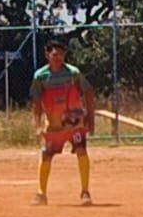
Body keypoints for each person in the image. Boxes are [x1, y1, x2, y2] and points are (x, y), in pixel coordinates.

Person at [30, 39, 96, 206]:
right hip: (53, 124)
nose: (58, 57)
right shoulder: (40, 76)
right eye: (55, 54)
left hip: (75, 123)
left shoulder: (73, 73)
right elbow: (36, 101)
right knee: (46, 156)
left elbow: (88, 91)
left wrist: (90, 117)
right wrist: (38, 124)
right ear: (47, 55)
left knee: (82, 151)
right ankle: (41, 193)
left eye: (61, 54)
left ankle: (85, 192)